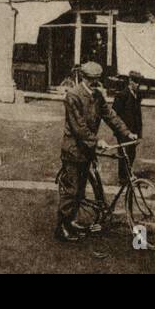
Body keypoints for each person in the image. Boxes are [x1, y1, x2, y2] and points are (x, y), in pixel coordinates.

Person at [55, 60, 136, 243]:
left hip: (87, 151)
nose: (95, 82)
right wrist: (96, 141)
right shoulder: (73, 96)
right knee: (73, 190)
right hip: (74, 150)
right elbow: (79, 127)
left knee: (81, 189)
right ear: (83, 77)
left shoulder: (98, 96)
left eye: (97, 79)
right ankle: (62, 226)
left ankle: (72, 220)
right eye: (92, 79)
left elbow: (111, 116)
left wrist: (127, 132)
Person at [111, 71, 143, 184]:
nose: (138, 85)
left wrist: (139, 132)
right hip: (123, 131)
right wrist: (119, 130)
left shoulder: (138, 94)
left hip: (134, 130)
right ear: (130, 81)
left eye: (139, 83)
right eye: (136, 82)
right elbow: (114, 113)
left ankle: (128, 173)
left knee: (132, 153)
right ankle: (123, 177)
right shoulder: (122, 95)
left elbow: (138, 115)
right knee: (123, 154)